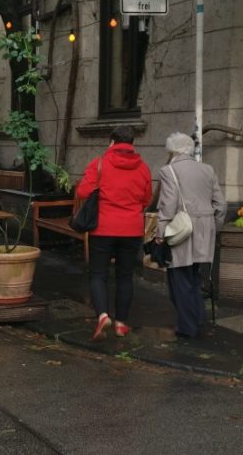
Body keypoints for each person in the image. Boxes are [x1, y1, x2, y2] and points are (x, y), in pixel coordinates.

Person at [75, 125, 152, 341]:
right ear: (132, 143)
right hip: (132, 229)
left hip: (103, 228)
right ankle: (120, 323)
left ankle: (102, 315)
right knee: (125, 276)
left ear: (112, 142)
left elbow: (82, 191)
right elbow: (146, 199)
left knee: (98, 274)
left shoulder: (99, 163)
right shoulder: (143, 168)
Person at [154, 132, 227, 338]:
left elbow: (168, 206)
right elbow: (220, 204)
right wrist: (215, 227)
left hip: (182, 228)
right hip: (206, 228)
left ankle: (188, 327)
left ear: (172, 150)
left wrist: (160, 233)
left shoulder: (169, 170)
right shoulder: (207, 169)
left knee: (179, 279)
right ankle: (198, 319)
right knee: (194, 277)